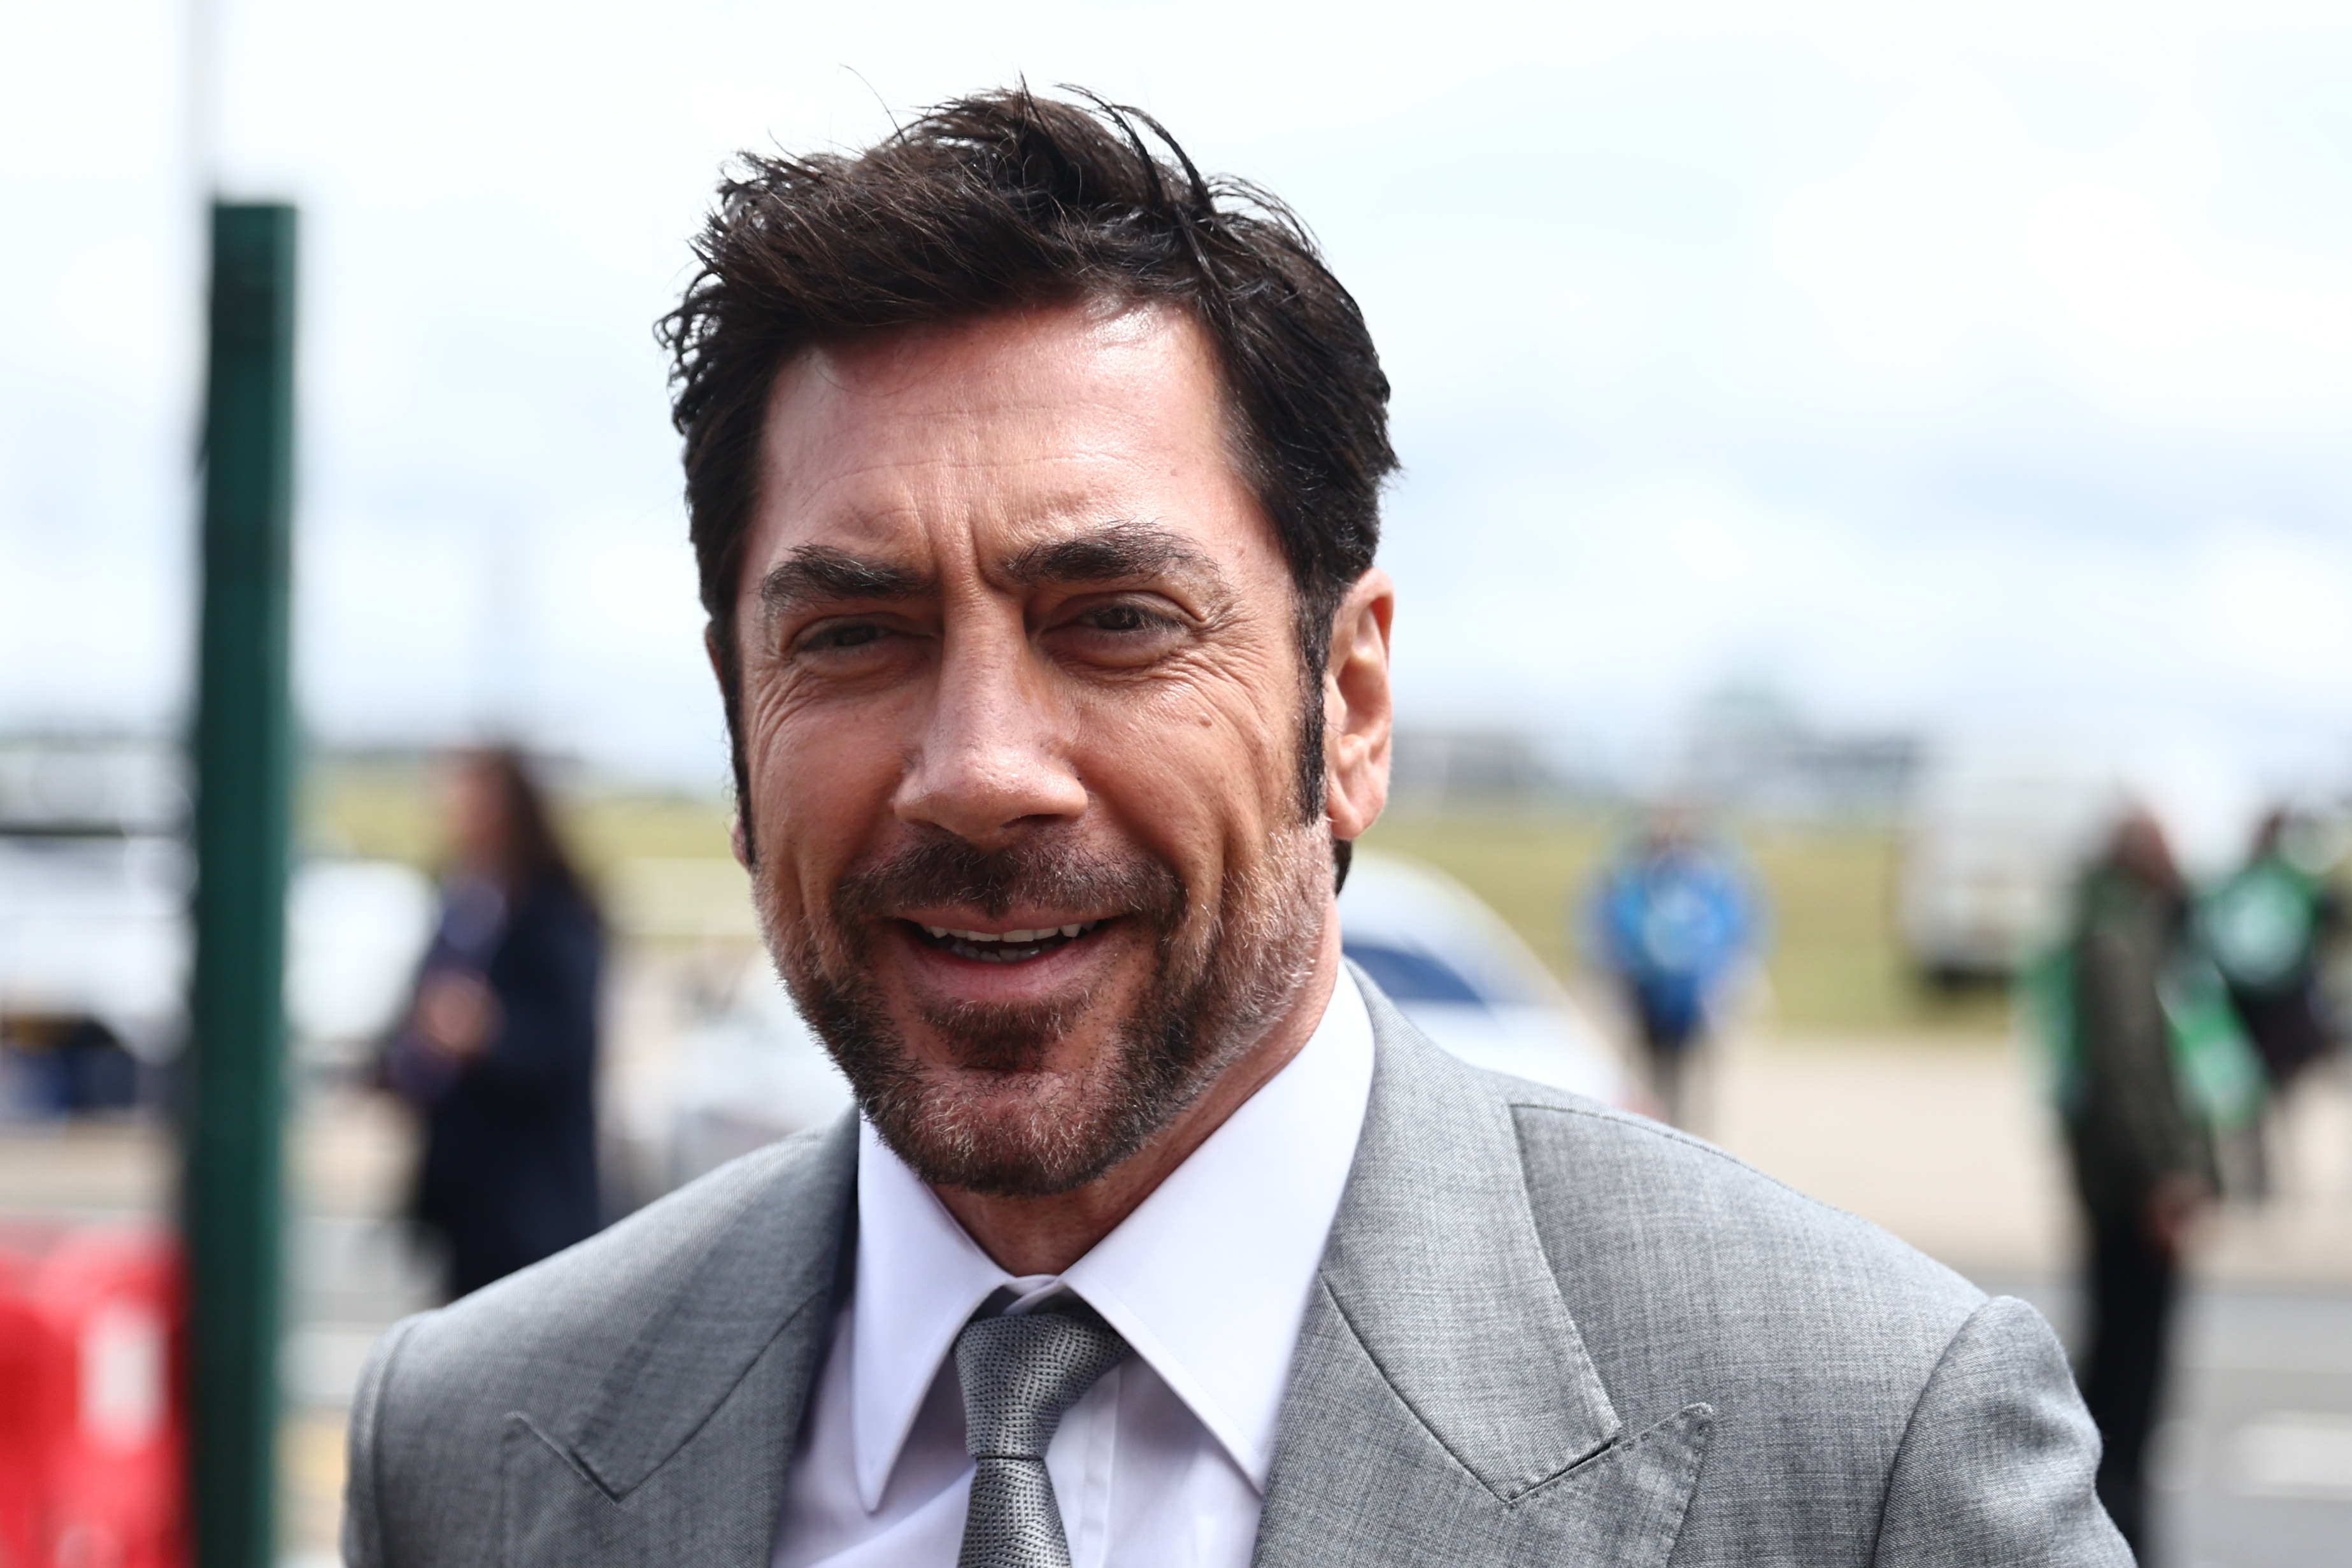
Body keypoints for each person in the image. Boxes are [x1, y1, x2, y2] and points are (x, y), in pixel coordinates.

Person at [345, 91, 2126, 1567]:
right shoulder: (478, 1444)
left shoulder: (1862, 1449)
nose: (978, 768)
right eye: (855, 634)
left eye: (1112, 617)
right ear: (737, 720)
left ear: (1342, 709)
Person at [383, 747, 604, 1300]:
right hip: (463, 1195)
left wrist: (488, 1034)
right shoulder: (461, 900)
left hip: (533, 1203)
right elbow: (418, 1010)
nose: (450, 814)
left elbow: (572, 1046)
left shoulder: (556, 913)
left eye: (466, 801)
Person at [2061, 809, 2216, 1556]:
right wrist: (2163, 1178)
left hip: (2131, 1188)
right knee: (2126, 1382)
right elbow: (2128, 1072)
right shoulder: (2117, 942)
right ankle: (2111, 1534)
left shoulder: (2144, 931)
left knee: (2131, 1380)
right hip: (2130, 1197)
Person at [2199, 806, 2341, 1197]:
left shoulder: (2281, 885)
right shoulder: (2273, 885)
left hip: (2271, 1022)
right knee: (2263, 1116)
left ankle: (2269, 1188)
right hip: (2264, 1022)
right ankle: (2268, 1188)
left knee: (2266, 1115)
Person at [1586, 812, 1757, 1125]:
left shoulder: (1642, 878)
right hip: (1655, 992)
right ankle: (1664, 1132)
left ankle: (1678, 1134)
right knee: (1655, 1076)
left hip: (1685, 994)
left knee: (1681, 1078)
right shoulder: (1639, 880)